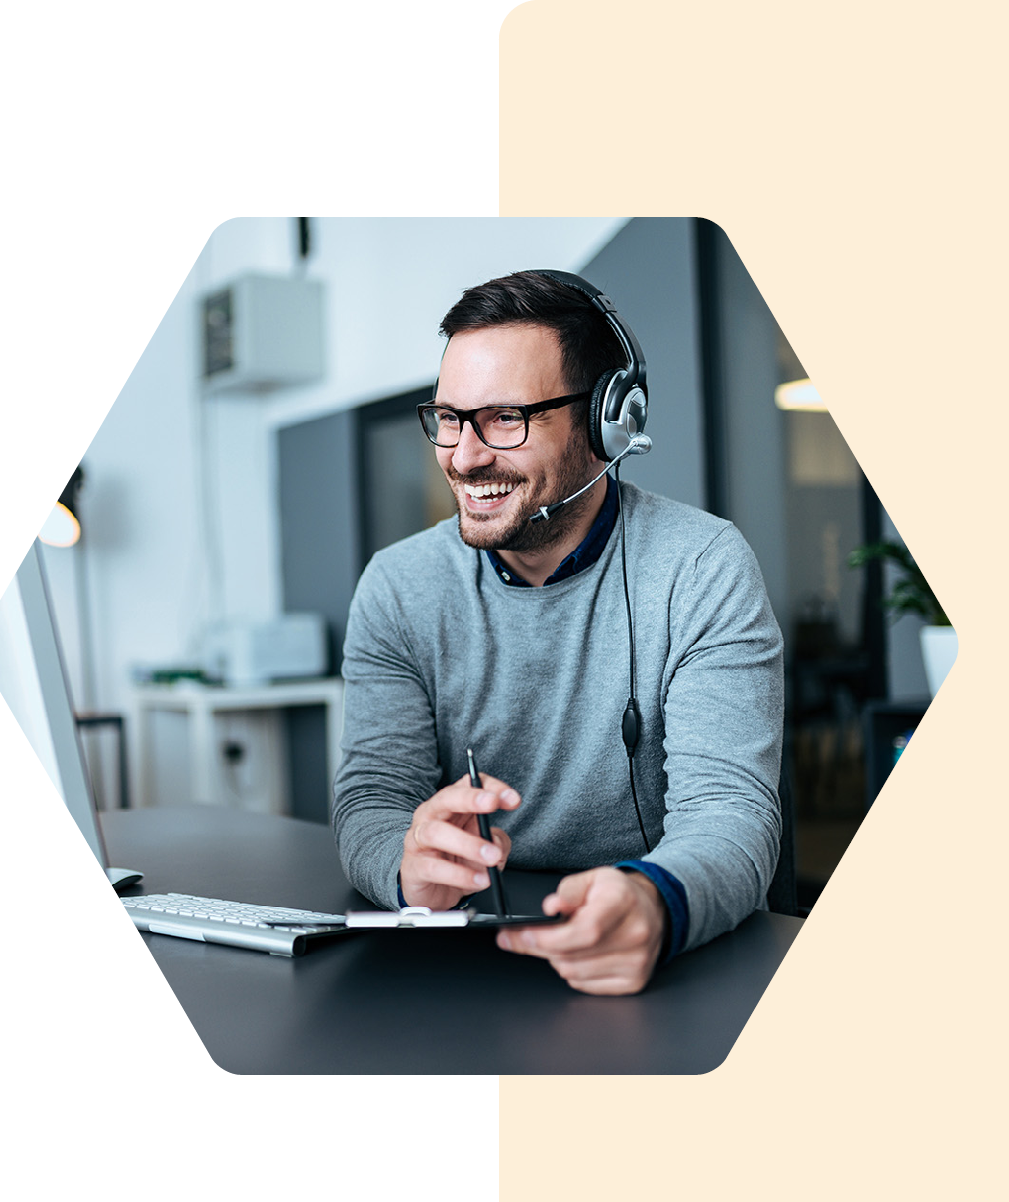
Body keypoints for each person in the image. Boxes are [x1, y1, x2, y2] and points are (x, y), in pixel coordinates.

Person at [332, 270, 783, 996]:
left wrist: (654, 900)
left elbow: (731, 814)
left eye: (505, 417)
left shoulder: (702, 565)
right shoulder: (398, 585)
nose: (464, 455)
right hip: (471, 963)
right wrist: (403, 865)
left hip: (661, 959)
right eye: (449, 417)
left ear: (610, 423)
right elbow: (373, 801)